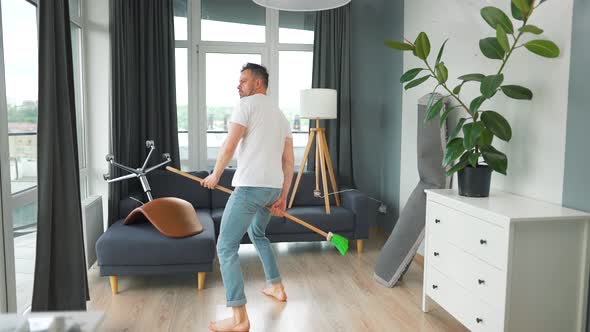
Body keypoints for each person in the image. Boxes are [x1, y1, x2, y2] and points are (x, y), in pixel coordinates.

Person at [202, 63, 294, 332]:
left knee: (225, 247)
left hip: (250, 188)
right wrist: (283, 196)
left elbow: (229, 144)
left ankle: (239, 318)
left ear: (258, 84)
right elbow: (289, 162)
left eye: (243, 81)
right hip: (272, 189)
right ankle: (276, 285)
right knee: (258, 233)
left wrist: (215, 175)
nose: (238, 85)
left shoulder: (246, 105)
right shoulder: (281, 116)